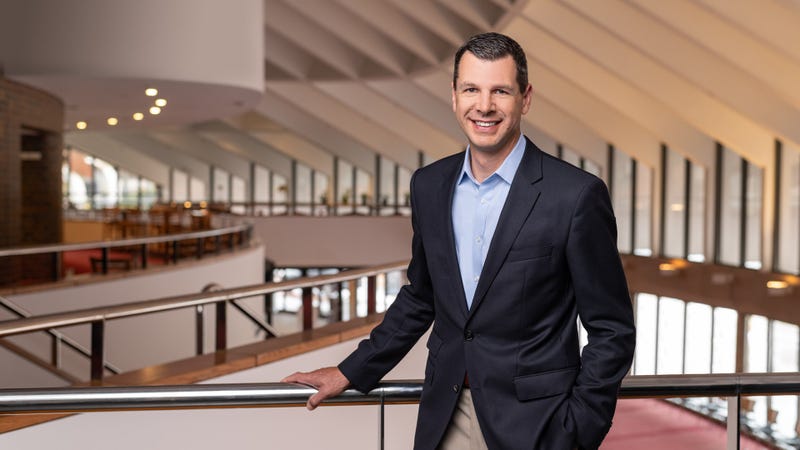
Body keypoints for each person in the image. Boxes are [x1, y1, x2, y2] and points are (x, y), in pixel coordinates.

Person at [283, 32, 636, 450]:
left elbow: (612, 328)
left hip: (539, 427)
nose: (484, 106)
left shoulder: (575, 195)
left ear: (525, 98)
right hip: (445, 414)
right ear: (454, 96)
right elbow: (421, 297)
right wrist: (350, 371)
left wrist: (578, 429)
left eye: (500, 91)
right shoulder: (430, 186)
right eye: (471, 89)